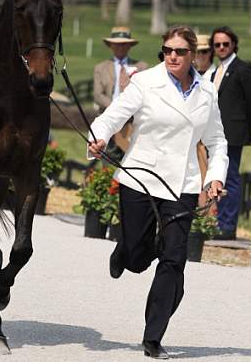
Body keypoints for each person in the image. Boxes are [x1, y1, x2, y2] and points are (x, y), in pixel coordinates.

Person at [88, 26, 228, 359]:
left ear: (193, 54)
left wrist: (216, 177)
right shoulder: (145, 82)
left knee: (174, 259)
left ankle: (153, 336)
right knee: (138, 259)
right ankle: (126, 250)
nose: (173, 57)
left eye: (179, 51)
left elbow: (217, 141)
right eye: (167, 50)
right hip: (140, 178)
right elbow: (113, 115)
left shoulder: (207, 92)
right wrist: (99, 137)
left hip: (183, 184)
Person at [209, 26, 251, 240]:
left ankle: (227, 226)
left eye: (225, 44)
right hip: (216, 133)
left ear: (234, 45)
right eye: (217, 44)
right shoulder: (216, 71)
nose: (221, 47)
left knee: (230, 179)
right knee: (217, 178)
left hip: (233, 133)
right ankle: (218, 222)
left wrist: (244, 128)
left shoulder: (243, 69)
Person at [93, 26, 148, 161]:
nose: (120, 47)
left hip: (134, 123)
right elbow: (98, 95)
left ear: (130, 45)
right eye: (117, 44)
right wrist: (118, 109)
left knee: (132, 161)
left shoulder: (141, 67)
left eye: (124, 44)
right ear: (111, 45)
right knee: (108, 162)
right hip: (109, 121)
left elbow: (146, 93)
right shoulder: (101, 68)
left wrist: (129, 110)